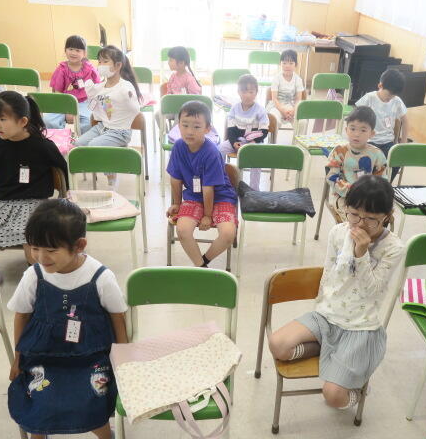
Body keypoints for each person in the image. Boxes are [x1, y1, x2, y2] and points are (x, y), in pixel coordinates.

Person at [268, 175, 404, 409]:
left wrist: (361, 253)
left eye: (371, 219)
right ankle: (329, 350)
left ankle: (358, 390)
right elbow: (329, 272)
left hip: (360, 327)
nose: (360, 224)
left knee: (333, 397)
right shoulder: (338, 232)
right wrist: (321, 304)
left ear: (387, 216)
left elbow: (371, 291)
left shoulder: (394, 247)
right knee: (278, 345)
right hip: (327, 316)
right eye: (353, 214)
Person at [7, 199, 127, 439]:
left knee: (91, 401)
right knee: (39, 402)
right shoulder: (33, 275)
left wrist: (123, 359)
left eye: (51, 250)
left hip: (90, 357)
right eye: (35, 248)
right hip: (44, 355)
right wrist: (17, 358)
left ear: (79, 245)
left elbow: (118, 317)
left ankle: (105, 434)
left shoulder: (100, 277)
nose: (41, 257)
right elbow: (21, 315)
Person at [0, 91, 68, 274]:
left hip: (36, 204)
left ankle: (35, 276)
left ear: (23, 121)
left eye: (2, 119)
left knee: (30, 234)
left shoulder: (43, 146)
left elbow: (62, 173)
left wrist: (65, 202)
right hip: (3, 203)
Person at [166, 100, 237, 268]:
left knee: (228, 234)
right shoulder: (178, 147)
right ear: (178, 125)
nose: (190, 131)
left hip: (221, 197)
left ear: (207, 129)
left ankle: (204, 261)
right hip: (194, 197)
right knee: (182, 230)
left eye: (197, 127)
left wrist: (207, 215)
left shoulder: (211, 152)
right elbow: (175, 179)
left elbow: (208, 189)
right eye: (185, 125)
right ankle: (201, 268)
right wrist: (177, 203)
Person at [76, 45, 141, 187]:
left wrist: (128, 97)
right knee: (78, 145)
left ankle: (111, 174)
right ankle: (107, 160)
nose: (101, 65)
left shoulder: (125, 86)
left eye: (105, 62)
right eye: (99, 62)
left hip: (120, 131)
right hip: (102, 127)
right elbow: (100, 108)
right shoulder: (101, 86)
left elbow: (135, 107)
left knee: (94, 146)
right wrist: (90, 92)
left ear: (118, 65)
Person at [326, 106, 387, 221]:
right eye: (352, 128)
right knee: (354, 219)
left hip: (369, 198)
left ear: (372, 133)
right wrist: (351, 191)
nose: (357, 134)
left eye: (363, 130)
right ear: (346, 130)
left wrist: (372, 194)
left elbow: (382, 181)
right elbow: (331, 177)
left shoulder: (377, 154)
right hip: (344, 197)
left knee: (379, 219)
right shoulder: (339, 151)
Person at [218, 74, 269, 190]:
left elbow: (264, 131)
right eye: (244, 92)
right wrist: (233, 143)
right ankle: (222, 180)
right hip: (237, 141)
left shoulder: (260, 110)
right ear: (238, 92)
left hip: (254, 143)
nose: (247, 95)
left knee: (257, 159)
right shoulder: (234, 108)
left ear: (256, 92)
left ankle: (254, 189)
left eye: (251, 92)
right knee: (219, 149)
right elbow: (231, 130)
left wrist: (254, 141)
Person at [356, 69, 408, 178]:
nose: (390, 98)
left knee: (396, 162)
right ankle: (368, 183)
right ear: (380, 85)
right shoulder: (370, 98)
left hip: (387, 142)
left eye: (393, 95)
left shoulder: (396, 101)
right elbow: (356, 116)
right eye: (389, 94)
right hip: (370, 141)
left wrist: (403, 143)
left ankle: (384, 183)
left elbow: (405, 121)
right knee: (366, 164)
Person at [43, 34, 99, 134]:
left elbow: (98, 88)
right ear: (65, 50)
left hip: (84, 102)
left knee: (89, 122)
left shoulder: (89, 69)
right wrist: (67, 109)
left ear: (84, 53)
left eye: (77, 50)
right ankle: (61, 139)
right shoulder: (61, 69)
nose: (73, 53)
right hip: (63, 102)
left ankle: (82, 141)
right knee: (48, 120)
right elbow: (57, 93)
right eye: (71, 49)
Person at [266, 49, 305, 127]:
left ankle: (296, 136)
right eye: (284, 63)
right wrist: (282, 110)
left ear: (296, 64)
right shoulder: (276, 78)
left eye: (291, 63)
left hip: (292, 107)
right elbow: (274, 99)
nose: (287, 66)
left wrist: (293, 111)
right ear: (280, 64)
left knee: (302, 122)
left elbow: (298, 99)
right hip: (276, 106)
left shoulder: (298, 79)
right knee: (274, 119)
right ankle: (274, 135)